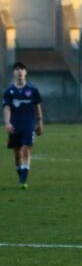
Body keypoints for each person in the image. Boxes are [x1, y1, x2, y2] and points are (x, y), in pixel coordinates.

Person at [3, 61, 44, 189]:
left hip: (29, 124)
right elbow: (7, 108)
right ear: (13, 73)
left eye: (22, 69)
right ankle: (21, 174)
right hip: (15, 125)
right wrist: (7, 123)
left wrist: (40, 122)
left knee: (26, 149)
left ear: (25, 73)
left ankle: (23, 179)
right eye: (17, 69)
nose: (19, 71)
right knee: (17, 154)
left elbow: (37, 106)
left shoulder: (32, 90)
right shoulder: (9, 91)